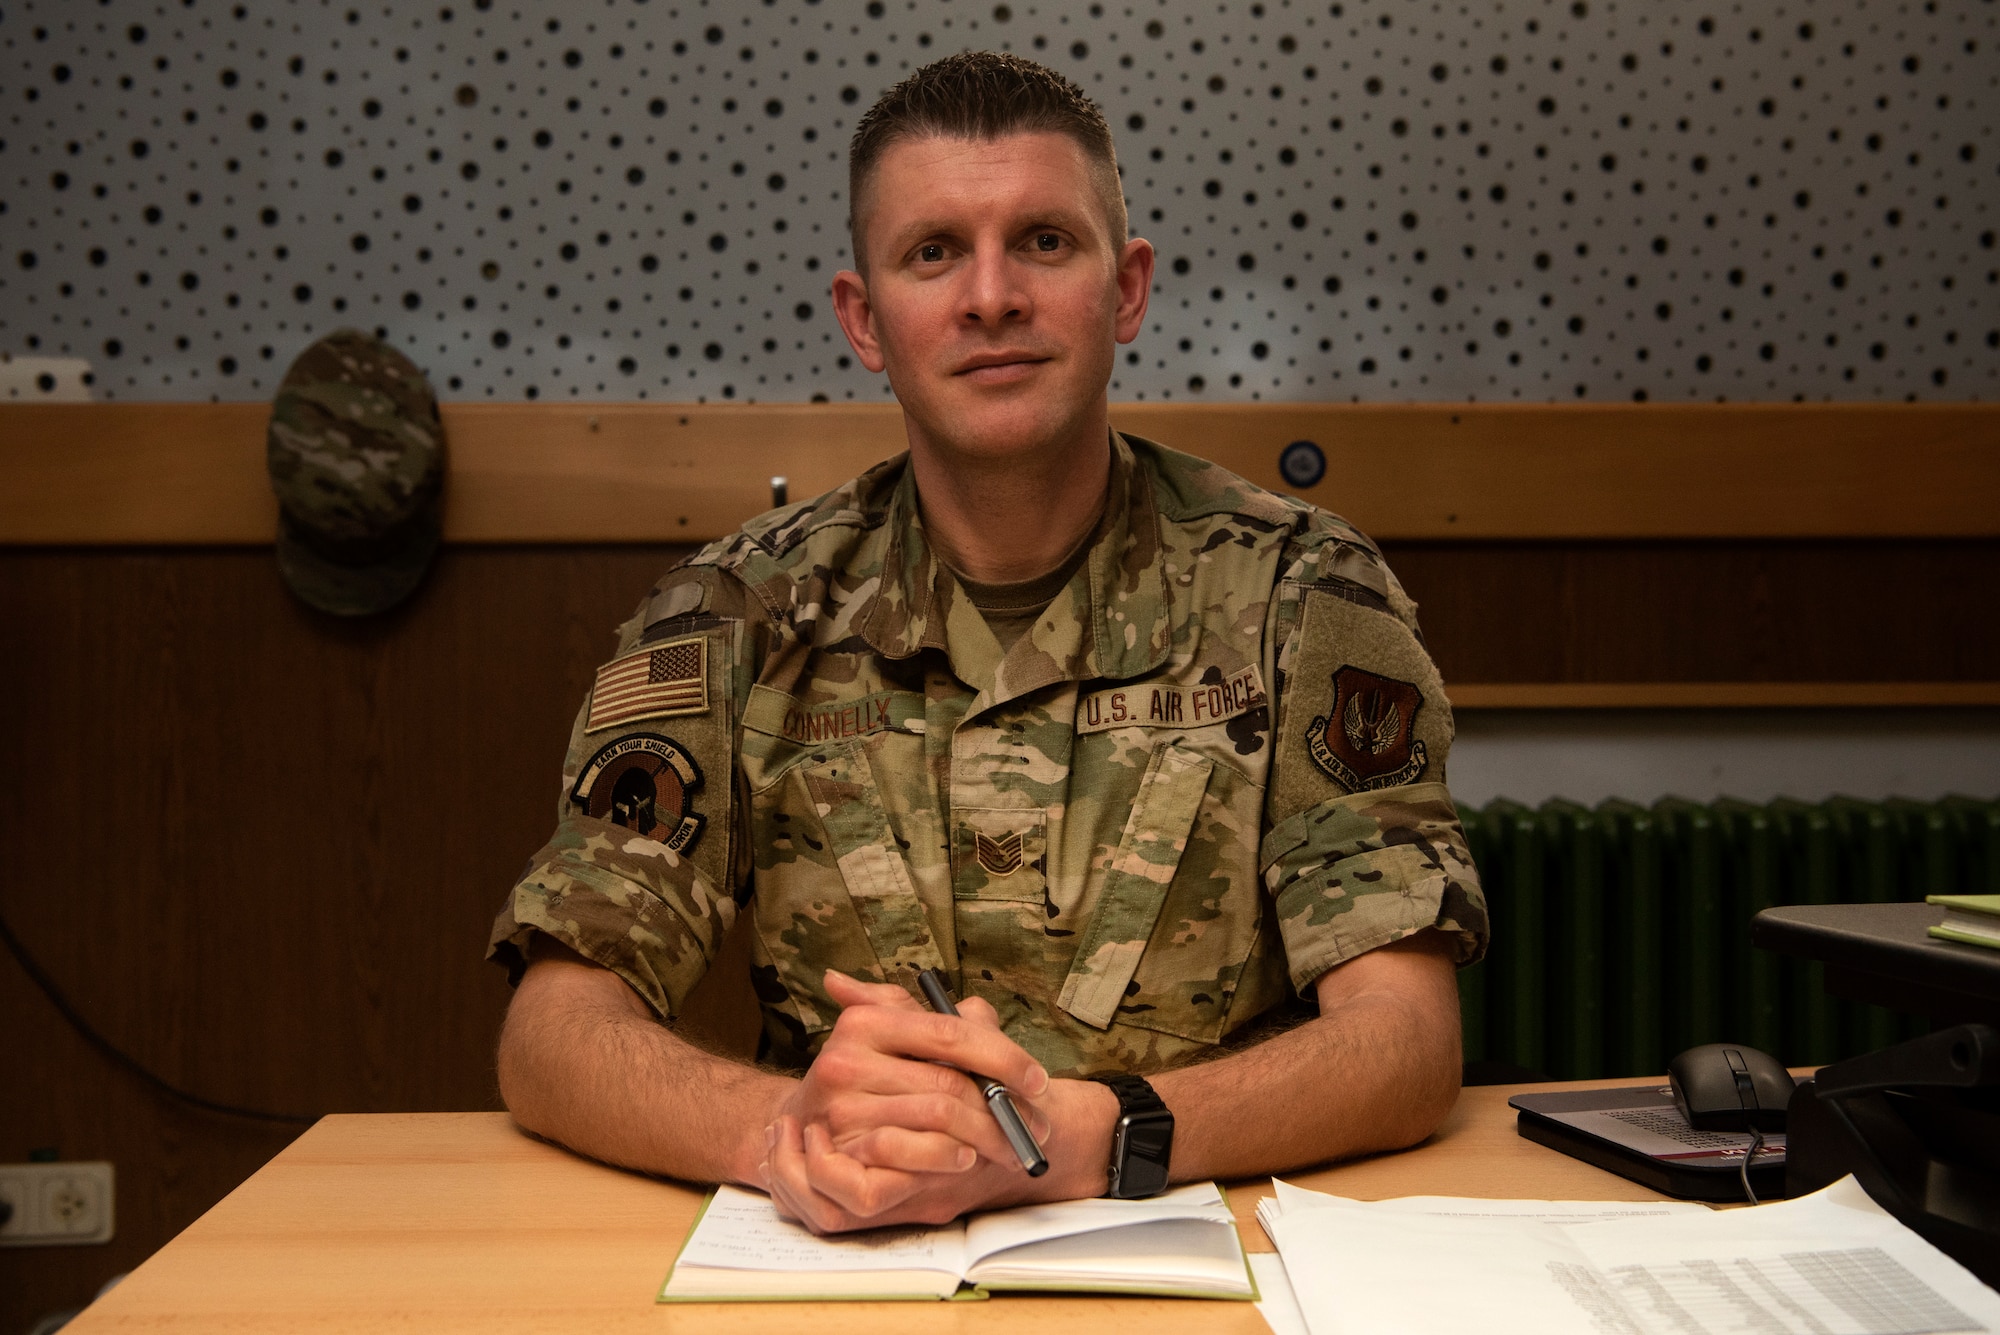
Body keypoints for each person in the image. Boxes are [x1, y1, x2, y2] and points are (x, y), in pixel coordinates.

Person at [488, 51, 1487, 1234]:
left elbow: (1404, 1042)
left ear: (1124, 290)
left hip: (1205, 1250)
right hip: (848, 1265)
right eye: (932, 252)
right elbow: (553, 1033)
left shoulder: (1298, 592)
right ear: (864, 319)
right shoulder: (739, 614)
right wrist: (781, 1136)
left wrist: (1091, 1139)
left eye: (1044, 243)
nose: (991, 296)